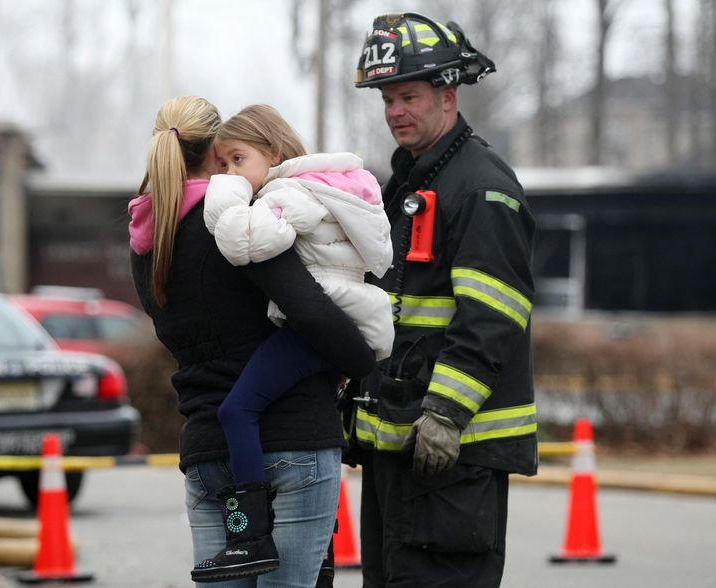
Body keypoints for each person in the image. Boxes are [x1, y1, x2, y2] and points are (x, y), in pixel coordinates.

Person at [128, 96, 376, 587]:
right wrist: (361, 356)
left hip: (206, 451)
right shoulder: (236, 223)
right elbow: (310, 310)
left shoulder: (147, 241)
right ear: (217, 154)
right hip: (291, 444)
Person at [347, 13, 538, 588]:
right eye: (388, 99)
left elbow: (494, 314)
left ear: (448, 97)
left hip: (453, 453)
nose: (395, 111)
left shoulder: (481, 187)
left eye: (409, 96)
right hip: (402, 451)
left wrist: (446, 412)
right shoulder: (411, 184)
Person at [198, 104, 395, 577]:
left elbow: (243, 242)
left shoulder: (291, 192)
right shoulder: (327, 185)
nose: (229, 173)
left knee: (236, 410)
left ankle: (248, 537)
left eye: (238, 160)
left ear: (276, 151)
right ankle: (318, 542)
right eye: (221, 165)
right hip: (344, 316)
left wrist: (227, 193)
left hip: (320, 321)